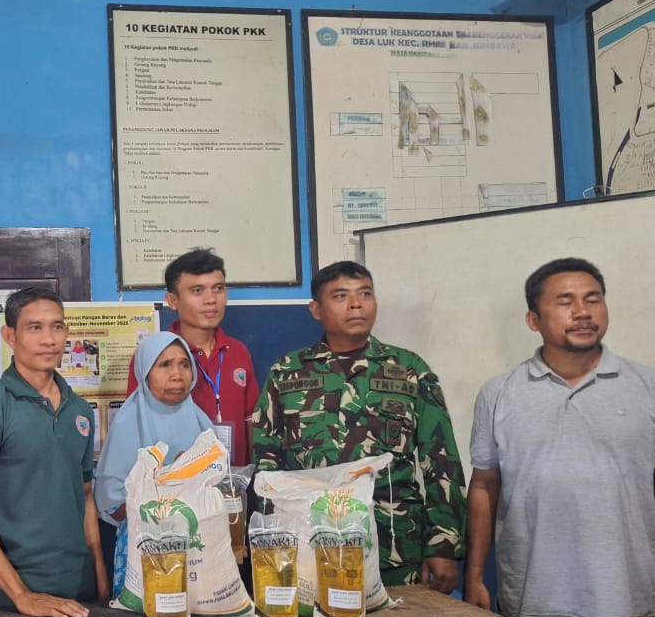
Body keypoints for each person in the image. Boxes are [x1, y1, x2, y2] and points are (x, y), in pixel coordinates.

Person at [464, 257, 655, 617]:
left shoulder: (654, 389)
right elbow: (484, 487)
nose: (583, 312)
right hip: (531, 605)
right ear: (533, 320)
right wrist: (473, 578)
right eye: (565, 302)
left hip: (627, 604)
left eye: (593, 299)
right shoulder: (499, 393)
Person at [252, 260, 467, 590]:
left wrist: (443, 544)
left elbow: (441, 460)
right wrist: (273, 539)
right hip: (309, 545)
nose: (356, 304)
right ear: (316, 309)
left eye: (365, 293)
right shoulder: (287, 372)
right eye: (341, 296)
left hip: (393, 549)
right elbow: (267, 462)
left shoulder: (409, 370)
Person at [0, 288, 108, 617]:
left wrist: (100, 578)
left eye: (57, 327)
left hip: (80, 593)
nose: (48, 339)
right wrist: (23, 596)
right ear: (10, 336)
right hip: (11, 600)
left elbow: (85, 496)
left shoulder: (80, 410)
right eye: (34, 327)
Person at [98, 331, 215, 585]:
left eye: (184, 365)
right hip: (143, 554)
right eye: (164, 365)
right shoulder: (127, 425)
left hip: (199, 551)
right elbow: (111, 506)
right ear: (145, 373)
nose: (177, 375)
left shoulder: (202, 424)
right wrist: (167, 481)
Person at [126, 249, 259, 468]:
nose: (211, 300)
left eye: (218, 288)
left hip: (232, 479)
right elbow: (135, 426)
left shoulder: (238, 352)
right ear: (172, 300)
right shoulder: (154, 355)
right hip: (173, 481)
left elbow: (251, 421)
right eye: (197, 290)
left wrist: (253, 477)